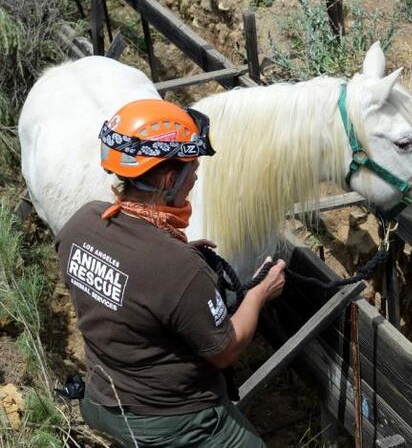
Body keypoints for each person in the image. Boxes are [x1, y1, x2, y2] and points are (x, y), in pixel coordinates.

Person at [55, 99, 286, 446]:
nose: (194, 177)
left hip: (102, 399)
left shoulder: (81, 223)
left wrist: (177, 259)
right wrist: (260, 292)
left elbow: (128, 280)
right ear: (167, 178)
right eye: (191, 168)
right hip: (168, 421)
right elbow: (225, 349)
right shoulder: (178, 269)